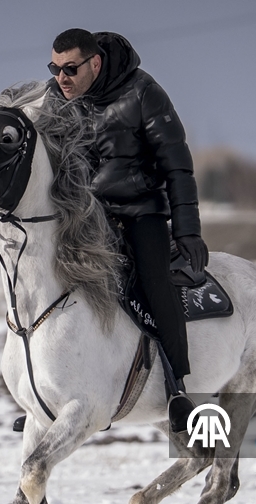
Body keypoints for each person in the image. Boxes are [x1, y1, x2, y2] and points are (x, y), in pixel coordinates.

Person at [48, 28, 208, 434]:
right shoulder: (58, 101)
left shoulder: (142, 93)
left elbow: (178, 166)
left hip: (140, 214)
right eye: (54, 68)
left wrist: (187, 231)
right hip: (87, 218)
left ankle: (178, 390)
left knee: (156, 283)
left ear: (95, 63)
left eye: (69, 69)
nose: (60, 78)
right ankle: (49, 397)